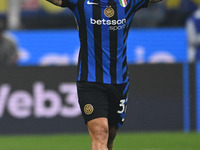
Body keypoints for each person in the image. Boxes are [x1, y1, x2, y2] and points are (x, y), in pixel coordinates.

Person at [46, 0, 163, 150]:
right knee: (100, 132)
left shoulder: (128, 2)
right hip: (90, 81)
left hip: (119, 82)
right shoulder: (81, 2)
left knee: (110, 136)